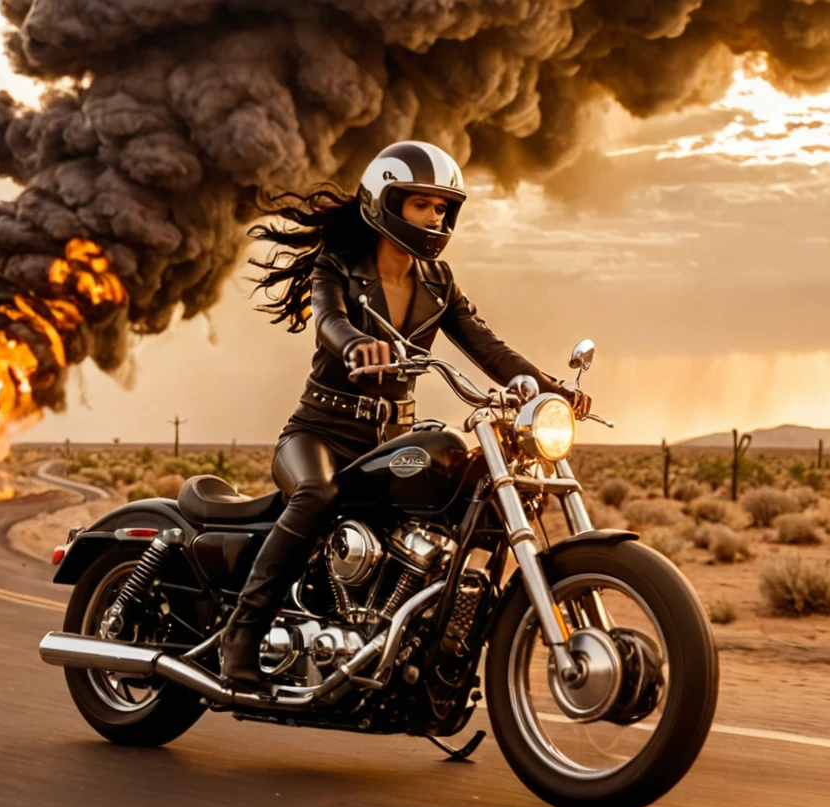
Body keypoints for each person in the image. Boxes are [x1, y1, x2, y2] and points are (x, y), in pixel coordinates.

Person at [220, 140, 591, 690]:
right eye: (421, 204)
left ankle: (431, 650)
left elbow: (487, 346)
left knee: (468, 503)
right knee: (316, 496)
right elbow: (327, 317)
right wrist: (352, 345)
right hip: (320, 433)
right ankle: (241, 636)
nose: (434, 217)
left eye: (442, 207)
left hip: (388, 439)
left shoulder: (438, 282)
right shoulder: (340, 266)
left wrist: (547, 385)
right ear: (385, 202)